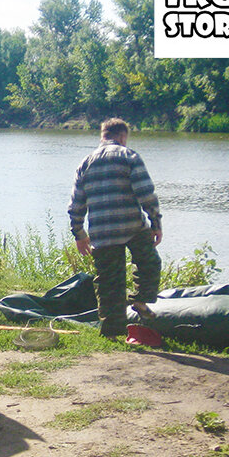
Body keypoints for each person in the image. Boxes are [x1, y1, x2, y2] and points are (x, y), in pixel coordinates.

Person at [68, 118, 163, 338]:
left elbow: (76, 204)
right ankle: (139, 300)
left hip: (102, 231)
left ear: (102, 136)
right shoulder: (129, 156)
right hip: (132, 226)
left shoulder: (85, 163)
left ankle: (112, 332)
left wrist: (79, 233)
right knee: (149, 264)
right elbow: (146, 193)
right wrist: (156, 222)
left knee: (109, 283)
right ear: (122, 136)